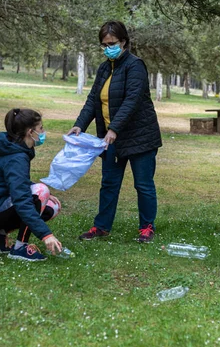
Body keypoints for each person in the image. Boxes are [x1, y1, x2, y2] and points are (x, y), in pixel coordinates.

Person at [67, 20, 162, 243]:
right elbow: (93, 100)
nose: (108, 47)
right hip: (111, 139)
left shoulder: (135, 65)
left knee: (143, 184)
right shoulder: (104, 68)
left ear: (124, 42)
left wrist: (114, 129)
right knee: (109, 183)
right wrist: (80, 124)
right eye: (104, 44)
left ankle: (147, 227)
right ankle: (101, 227)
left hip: (140, 137)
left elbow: (132, 100)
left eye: (112, 43)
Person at [0, 108, 63, 261]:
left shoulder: (15, 148)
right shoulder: (17, 157)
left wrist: (43, 196)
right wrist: (46, 235)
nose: (43, 132)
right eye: (40, 128)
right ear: (30, 132)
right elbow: (22, 200)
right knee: (41, 192)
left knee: (51, 206)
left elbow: (16, 182)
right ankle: (20, 248)